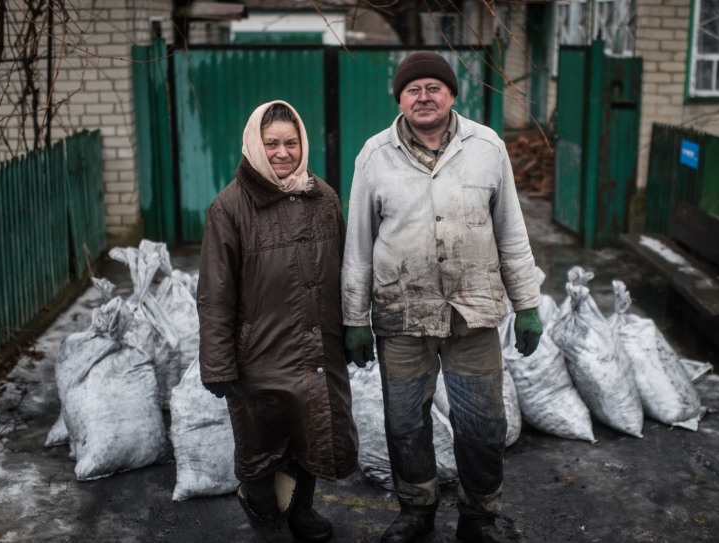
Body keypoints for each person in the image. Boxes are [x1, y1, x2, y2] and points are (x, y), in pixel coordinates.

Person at [341, 52, 543, 543]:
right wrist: (354, 317)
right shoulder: (374, 155)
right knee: (405, 423)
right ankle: (417, 511)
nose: (424, 96)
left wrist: (528, 304)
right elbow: (359, 244)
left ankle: (480, 516)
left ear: (452, 94)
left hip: (473, 312)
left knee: (482, 424)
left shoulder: (487, 147)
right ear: (400, 99)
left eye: (434, 87)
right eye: (413, 89)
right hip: (401, 314)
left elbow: (511, 232)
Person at [197, 100, 358, 543]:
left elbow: (346, 272)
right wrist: (217, 364)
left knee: (313, 436)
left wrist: (354, 330)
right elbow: (214, 295)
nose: (283, 152)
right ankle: (264, 508)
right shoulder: (229, 208)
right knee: (260, 444)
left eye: (291, 142)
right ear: (254, 144)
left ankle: (302, 512)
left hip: (318, 347)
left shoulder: (323, 197)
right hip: (260, 353)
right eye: (272, 144)